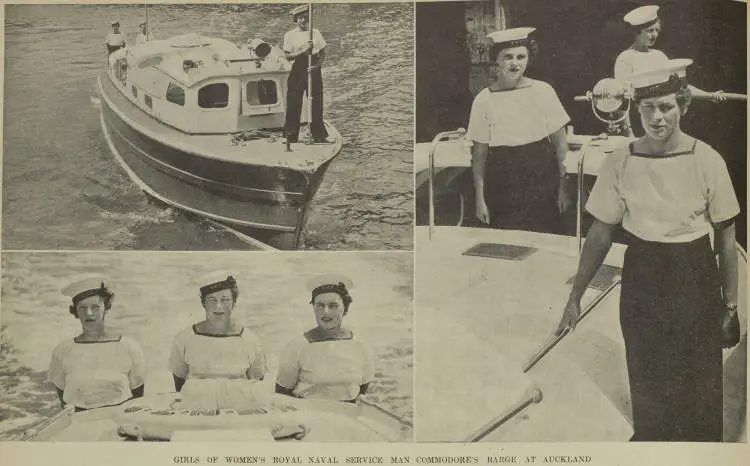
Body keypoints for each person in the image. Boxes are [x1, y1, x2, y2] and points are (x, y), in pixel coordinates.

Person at [556, 59, 740, 442]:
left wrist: (730, 307)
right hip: (642, 274)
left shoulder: (707, 160)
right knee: (647, 379)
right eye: (647, 109)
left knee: (699, 389)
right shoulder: (621, 160)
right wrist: (575, 297)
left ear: (684, 104)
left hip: (694, 273)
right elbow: (600, 233)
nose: (657, 118)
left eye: (667, 107)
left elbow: (725, 238)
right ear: (635, 110)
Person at [467, 27, 571, 233]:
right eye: (507, 57)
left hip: (542, 177)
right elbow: (479, 155)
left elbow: (561, 146)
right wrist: (480, 199)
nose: (515, 63)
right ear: (496, 61)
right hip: (502, 180)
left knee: (545, 240)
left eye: (521, 56)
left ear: (529, 58)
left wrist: (563, 188)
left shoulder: (543, 91)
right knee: (505, 243)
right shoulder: (484, 100)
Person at [614, 5, 724, 135]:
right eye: (649, 30)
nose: (654, 35)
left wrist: (710, 96)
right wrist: (628, 132)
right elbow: (620, 99)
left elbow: (681, 88)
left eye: (657, 30)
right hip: (639, 123)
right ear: (638, 32)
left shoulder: (659, 56)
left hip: (662, 122)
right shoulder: (625, 58)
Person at [47, 278, 146, 411]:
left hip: (119, 421)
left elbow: (138, 396)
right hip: (78, 423)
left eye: (95, 307)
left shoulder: (129, 347)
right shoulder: (62, 351)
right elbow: (63, 399)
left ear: (106, 307)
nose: (89, 313)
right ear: (75, 312)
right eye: (82, 308)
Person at [276, 274, 374, 402]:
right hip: (307, 416)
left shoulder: (360, 346)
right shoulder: (297, 346)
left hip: (348, 416)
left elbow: (363, 389)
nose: (326, 312)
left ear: (345, 309)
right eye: (320, 305)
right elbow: (282, 394)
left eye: (333, 306)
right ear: (314, 308)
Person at [169, 272, 266, 392]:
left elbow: (256, 386)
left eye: (225, 300)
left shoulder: (250, 340)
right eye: (212, 300)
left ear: (233, 302)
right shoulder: (184, 339)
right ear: (203, 303)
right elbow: (180, 388)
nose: (218, 306)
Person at [282, 5, 332, 144]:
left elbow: (322, 52)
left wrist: (317, 65)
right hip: (298, 68)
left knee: (316, 101)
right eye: (300, 18)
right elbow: (288, 56)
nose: (303, 20)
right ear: (296, 19)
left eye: (305, 18)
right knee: (294, 102)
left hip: (313, 67)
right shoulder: (289, 35)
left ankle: (319, 135)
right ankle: (290, 136)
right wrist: (303, 50)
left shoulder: (315, 32)